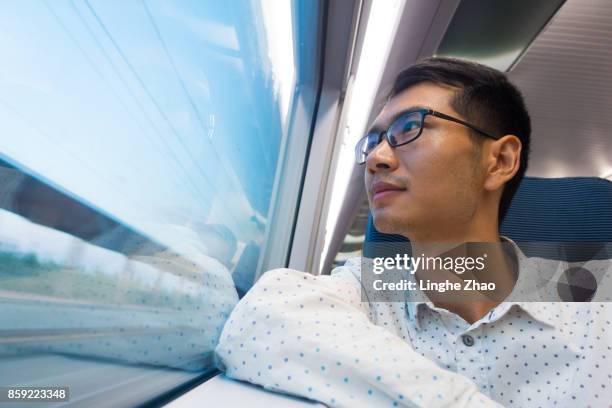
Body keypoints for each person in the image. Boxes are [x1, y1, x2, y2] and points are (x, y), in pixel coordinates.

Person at [214, 58, 611, 407]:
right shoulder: (372, 290)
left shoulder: (594, 303)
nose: (376, 159)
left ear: (499, 161)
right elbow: (261, 318)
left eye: (410, 127)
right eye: (372, 142)